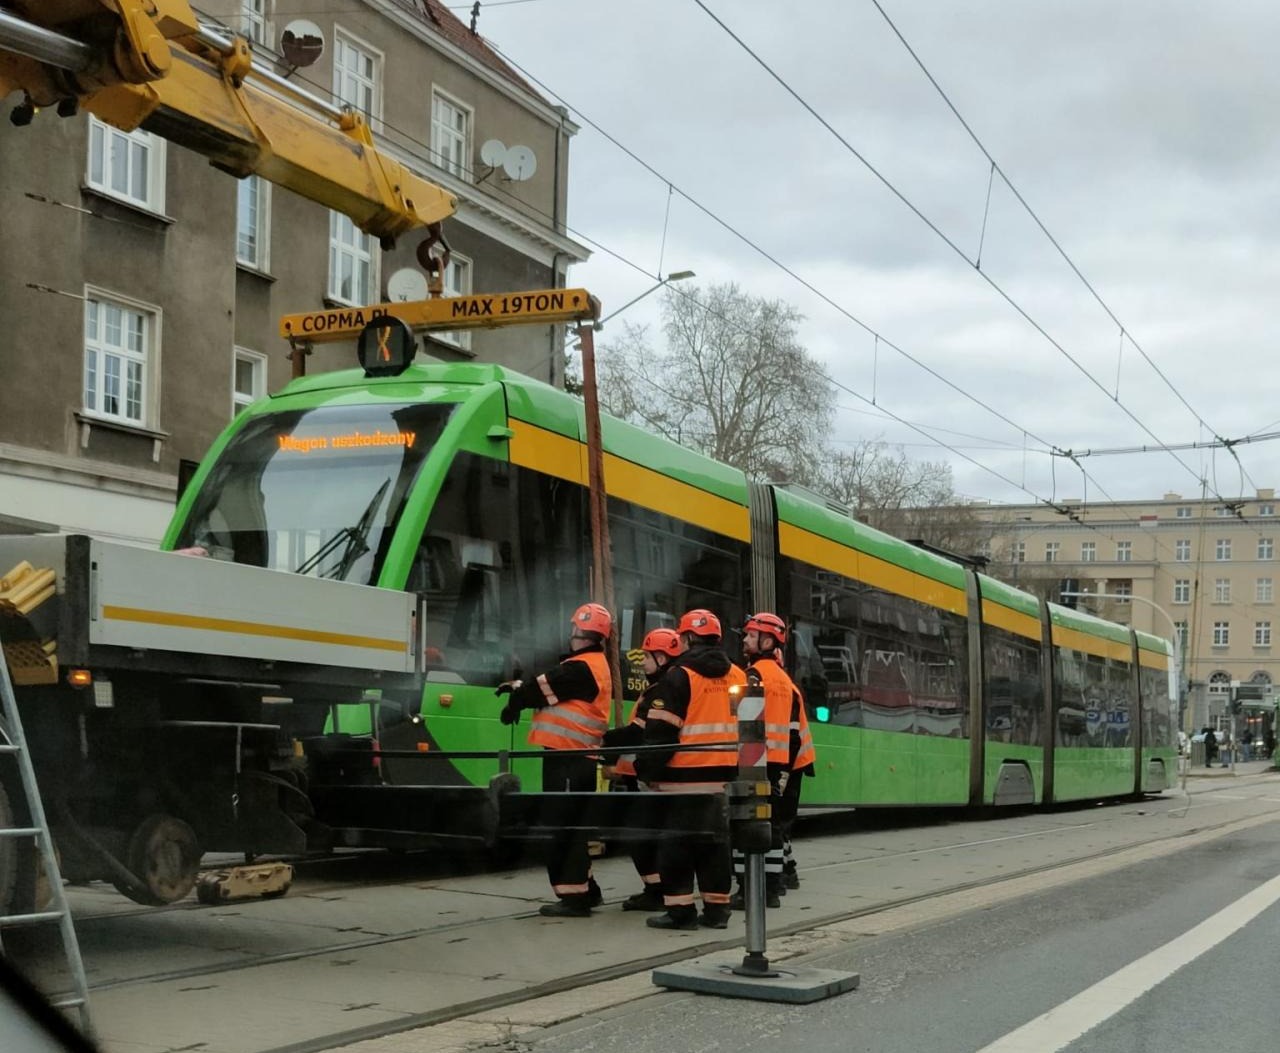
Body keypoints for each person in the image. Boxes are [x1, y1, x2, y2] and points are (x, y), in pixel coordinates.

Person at [496, 602, 613, 917]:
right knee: (571, 825)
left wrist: (515, 703)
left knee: (561, 827)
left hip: (568, 759)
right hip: (577, 758)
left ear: (576, 631)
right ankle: (587, 891)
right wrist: (521, 691)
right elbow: (551, 687)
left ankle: (574, 898)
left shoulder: (581, 667)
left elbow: (543, 686)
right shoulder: (591, 665)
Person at [636, 608, 739, 930]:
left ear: (688, 638)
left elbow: (662, 732)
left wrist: (645, 770)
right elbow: (753, 729)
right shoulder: (738, 675)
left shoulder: (679, 676)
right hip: (722, 780)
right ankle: (717, 910)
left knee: (676, 847)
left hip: (682, 779)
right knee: (714, 846)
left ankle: (681, 912)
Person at [731, 612, 816, 909]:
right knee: (774, 827)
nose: (744, 640)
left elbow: (739, 722)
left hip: (754, 762)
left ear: (766, 641)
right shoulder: (785, 680)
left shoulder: (752, 677)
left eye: (750, 635)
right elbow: (793, 732)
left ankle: (749, 892)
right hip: (781, 763)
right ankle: (774, 885)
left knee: (747, 826)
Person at [601, 627, 683, 911]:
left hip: (647, 777)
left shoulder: (660, 691)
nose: (642, 663)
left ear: (661, 658)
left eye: (646, 657)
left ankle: (657, 890)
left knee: (640, 835)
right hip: (643, 774)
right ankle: (655, 888)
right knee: (641, 835)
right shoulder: (661, 688)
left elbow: (638, 733)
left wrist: (603, 741)